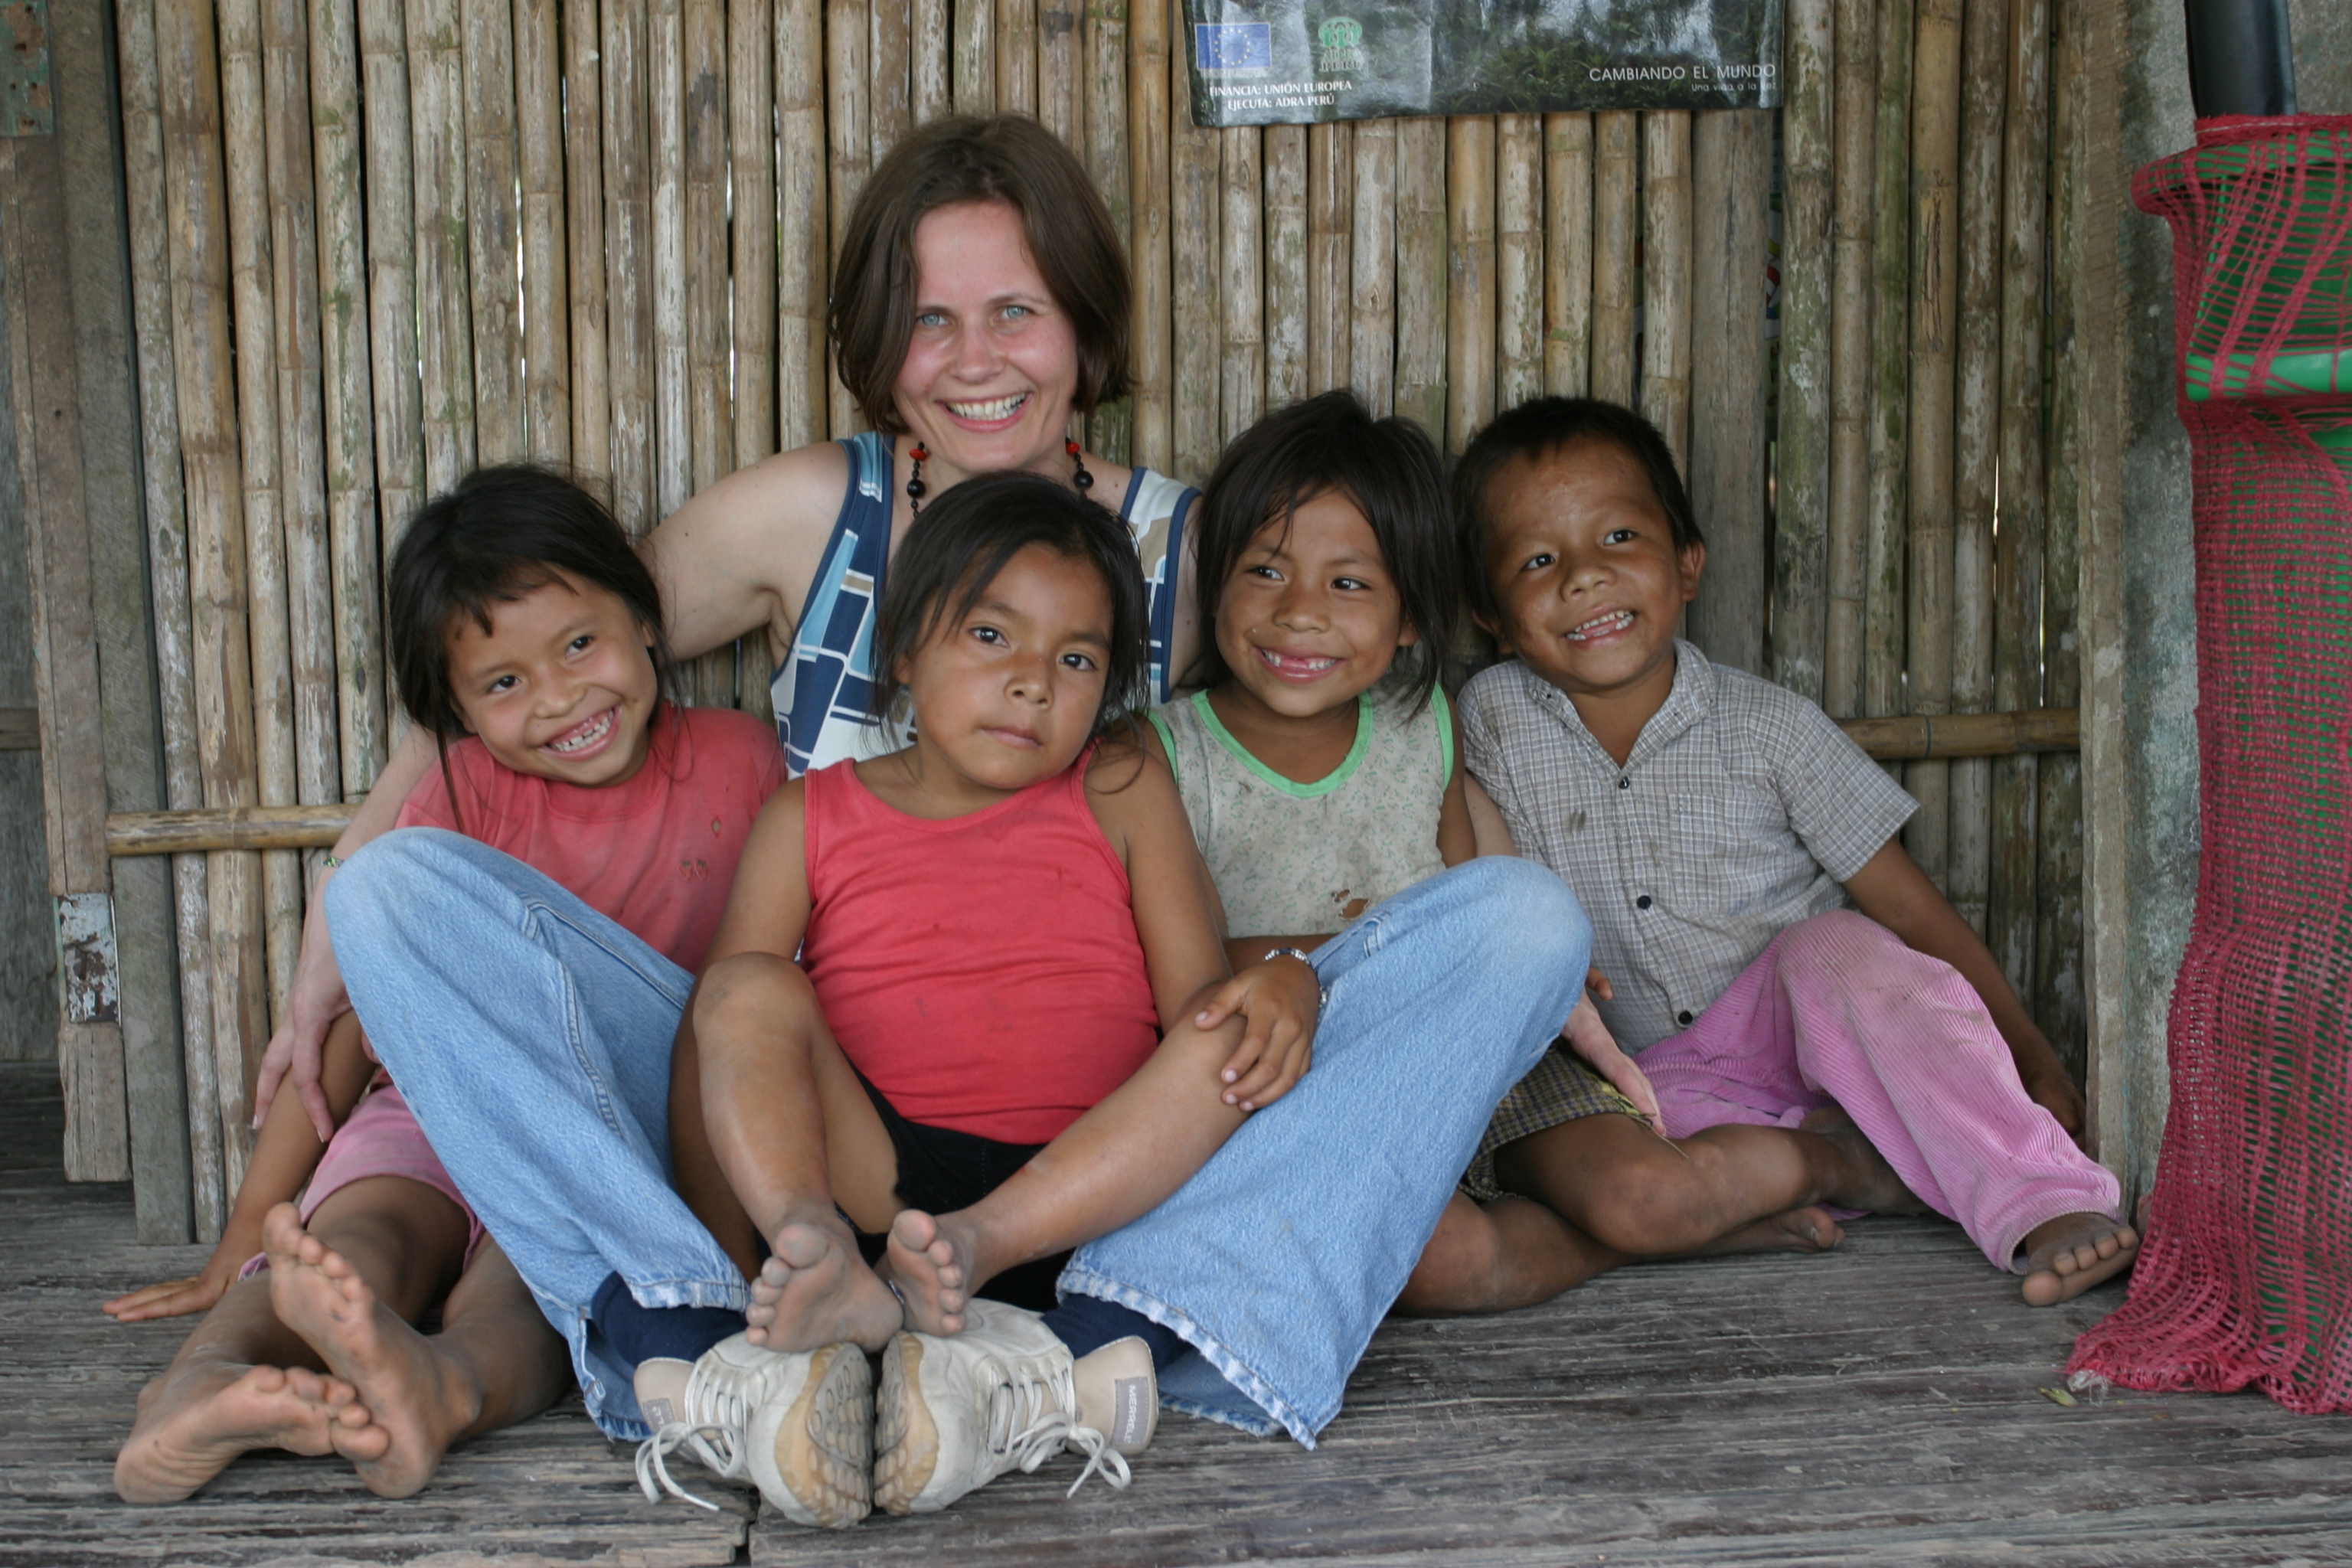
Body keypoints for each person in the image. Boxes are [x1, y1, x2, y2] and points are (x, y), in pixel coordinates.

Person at [253, 114, 1207, 1144]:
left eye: (1016, 311)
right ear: (884, 344)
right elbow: (529, 652)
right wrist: (344, 907)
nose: (975, 362)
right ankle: (676, 1270)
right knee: (421, 908)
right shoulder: (808, 513)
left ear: (1083, 319)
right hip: (797, 1104)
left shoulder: (1175, 553)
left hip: (1081, 1105)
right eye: (930, 321)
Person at [1142, 390, 1917, 1315]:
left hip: (1485, 1053)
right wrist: (1333, 968)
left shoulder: (1422, 727)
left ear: (1409, 622)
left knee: (1650, 1193)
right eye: (1265, 571)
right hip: (1313, 1075)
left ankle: (1837, 1158)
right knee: (1437, 1271)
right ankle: (1667, 1244)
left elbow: (1488, 907)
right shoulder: (1164, 757)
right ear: (1213, 582)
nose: (1300, 612)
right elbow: (1183, 982)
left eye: (1348, 583)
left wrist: (1539, 990)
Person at [104, 466, 781, 1503]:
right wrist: (247, 1231)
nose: (559, 698)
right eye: (503, 683)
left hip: (604, 1137)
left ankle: (440, 1385)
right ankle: (198, 1386)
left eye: (579, 644)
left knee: (538, 1283)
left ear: (648, 623)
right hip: (428, 1108)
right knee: (355, 1241)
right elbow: (345, 1014)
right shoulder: (454, 799)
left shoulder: (749, 764)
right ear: (455, 709)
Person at [658, 471, 1315, 1521]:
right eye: (991, 638)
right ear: (907, 651)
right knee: (738, 992)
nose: (1032, 683)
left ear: (1107, 688)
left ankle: (970, 1262)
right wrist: (742, 1258)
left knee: (1220, 1038)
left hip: (1096, 1182)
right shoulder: (810, 816)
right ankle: (811, 1258)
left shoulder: (1121, 780)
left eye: (1076, 658)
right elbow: (724, 1051)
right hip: (882, 1187)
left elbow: (1199, 1001)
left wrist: (1285, 986)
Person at [1451, 396, 2138, 1308]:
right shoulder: (1486, 720)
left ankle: (2045, 1200)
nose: (1584, 577)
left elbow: (1909, 910)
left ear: (1687, 562)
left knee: (1840, 949)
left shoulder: (1774, 728)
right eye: (1538, 560)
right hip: (1643, 1090)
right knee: (1622, 1180)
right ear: (1491, 613)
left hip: (1802, 1038)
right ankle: (1842, 1171)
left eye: (1619, 536)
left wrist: (2034, 1054)